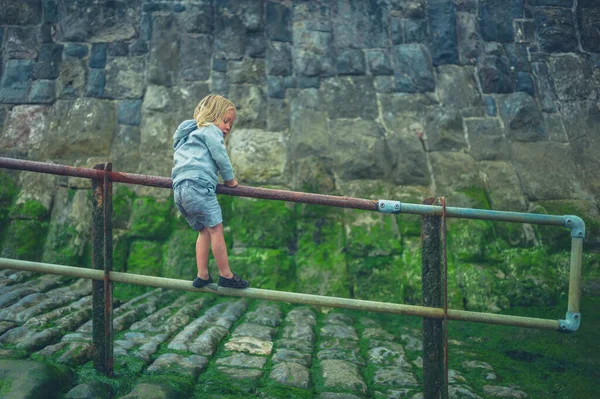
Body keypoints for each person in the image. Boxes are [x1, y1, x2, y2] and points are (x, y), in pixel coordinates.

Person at [172, 94, 249, 289]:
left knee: (204, 230)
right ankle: (226, 275)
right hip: (198, 186)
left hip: (179, 189)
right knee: (216, 229)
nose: (228, 127)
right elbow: (220, 155)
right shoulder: (209, 130)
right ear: (212, 115)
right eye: (225, 121)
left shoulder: (188, 135)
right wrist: (230, 180)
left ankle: (202, 275)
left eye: (230, 124)